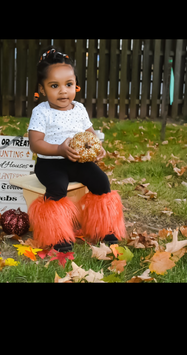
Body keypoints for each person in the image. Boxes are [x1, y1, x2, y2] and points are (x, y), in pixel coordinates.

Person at [27, 48, 126, 252]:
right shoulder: (41, 112)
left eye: (69, 84)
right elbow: (35, 143)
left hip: (79, 161)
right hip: (50, 163)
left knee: (101, 181)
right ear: (43, 89)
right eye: (55, 86)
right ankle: (57, 235)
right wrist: (59, 149)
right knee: (57, 187)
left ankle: (104, 227)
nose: (63, 91)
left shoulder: (79, 109)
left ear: (76, 86)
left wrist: (97, 147)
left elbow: (90, 133)